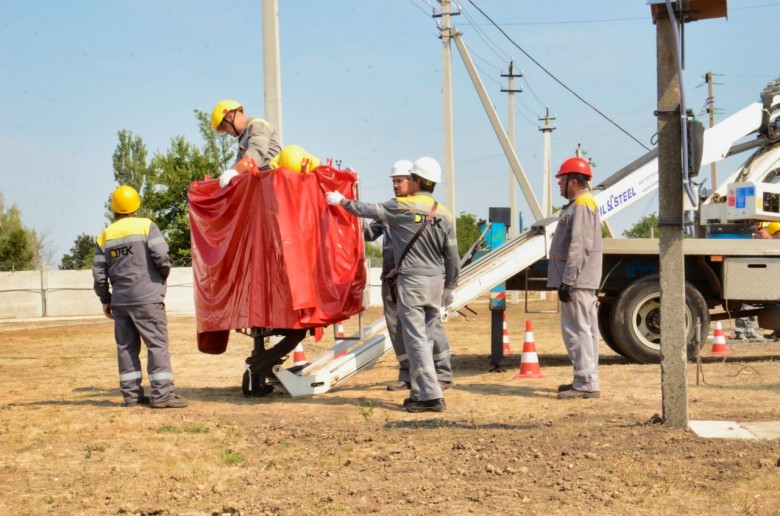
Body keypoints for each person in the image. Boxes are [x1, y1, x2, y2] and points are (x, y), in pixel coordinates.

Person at [326, 157, 459, 413]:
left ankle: (430, 397)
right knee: (428, 335)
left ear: (416, 180)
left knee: (416, 339)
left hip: (412, 281)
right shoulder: (444, 213)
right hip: (435, 282)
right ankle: (422, 391)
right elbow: (452, 255)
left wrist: (340, 201)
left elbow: (366, 209)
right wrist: (450, 286)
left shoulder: (402, 208)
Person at [92, 185, 187, 408]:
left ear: (113, 208)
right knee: (157, 346)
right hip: (148, 298)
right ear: (136, 205)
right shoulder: (147, 227)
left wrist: (106, 299)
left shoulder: (105, 236)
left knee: (126, 348)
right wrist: (160, 277)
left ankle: (132, 396)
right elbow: (161, 256)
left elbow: (98, 275)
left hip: (121, 301)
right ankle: (162, 396)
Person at [363, 160, 453, 393]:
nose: (395, 185)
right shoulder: (390, 210)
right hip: (392, 280)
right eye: (393, 181)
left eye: (400, 180)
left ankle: (441, 373)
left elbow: (448, 251)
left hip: (414, 279)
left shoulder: (419, 210)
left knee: (428, 329)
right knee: (397, 328)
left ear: (414, 181)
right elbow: (369, 234)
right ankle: (408, 374)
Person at [546, 157, 603, 400]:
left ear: (573, 180)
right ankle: (584, 378)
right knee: (586, 330)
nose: (559, 184)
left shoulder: (582, 204)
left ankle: (586, 383)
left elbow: (580, 245)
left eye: (561, 179)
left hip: (577, 281)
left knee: (577, 331)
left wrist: (568, 280)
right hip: (581, 280)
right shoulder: (580, 204)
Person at [210, 99, 282, 188]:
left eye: (225, 127)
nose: (227, 132)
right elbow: (242, 167)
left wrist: (234, 171)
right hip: (262, 187)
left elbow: (254, 156)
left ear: (230, 116)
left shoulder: (257, 125)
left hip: (273, 185)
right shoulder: (243, 137)